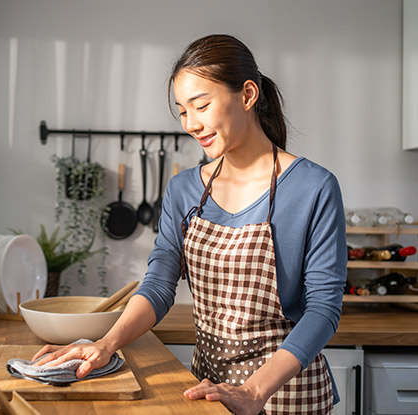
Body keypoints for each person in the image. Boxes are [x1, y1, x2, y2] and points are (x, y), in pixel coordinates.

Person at [33, 34, 347, 415]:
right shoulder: (184, 189)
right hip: (207, 390)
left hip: (286, 394)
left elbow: (323, 310)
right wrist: (106, 343)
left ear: (248, 95)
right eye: (183, 111)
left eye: (201, 105)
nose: (191, 124)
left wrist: (253, 391)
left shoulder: (313, 187)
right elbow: (160, 284)